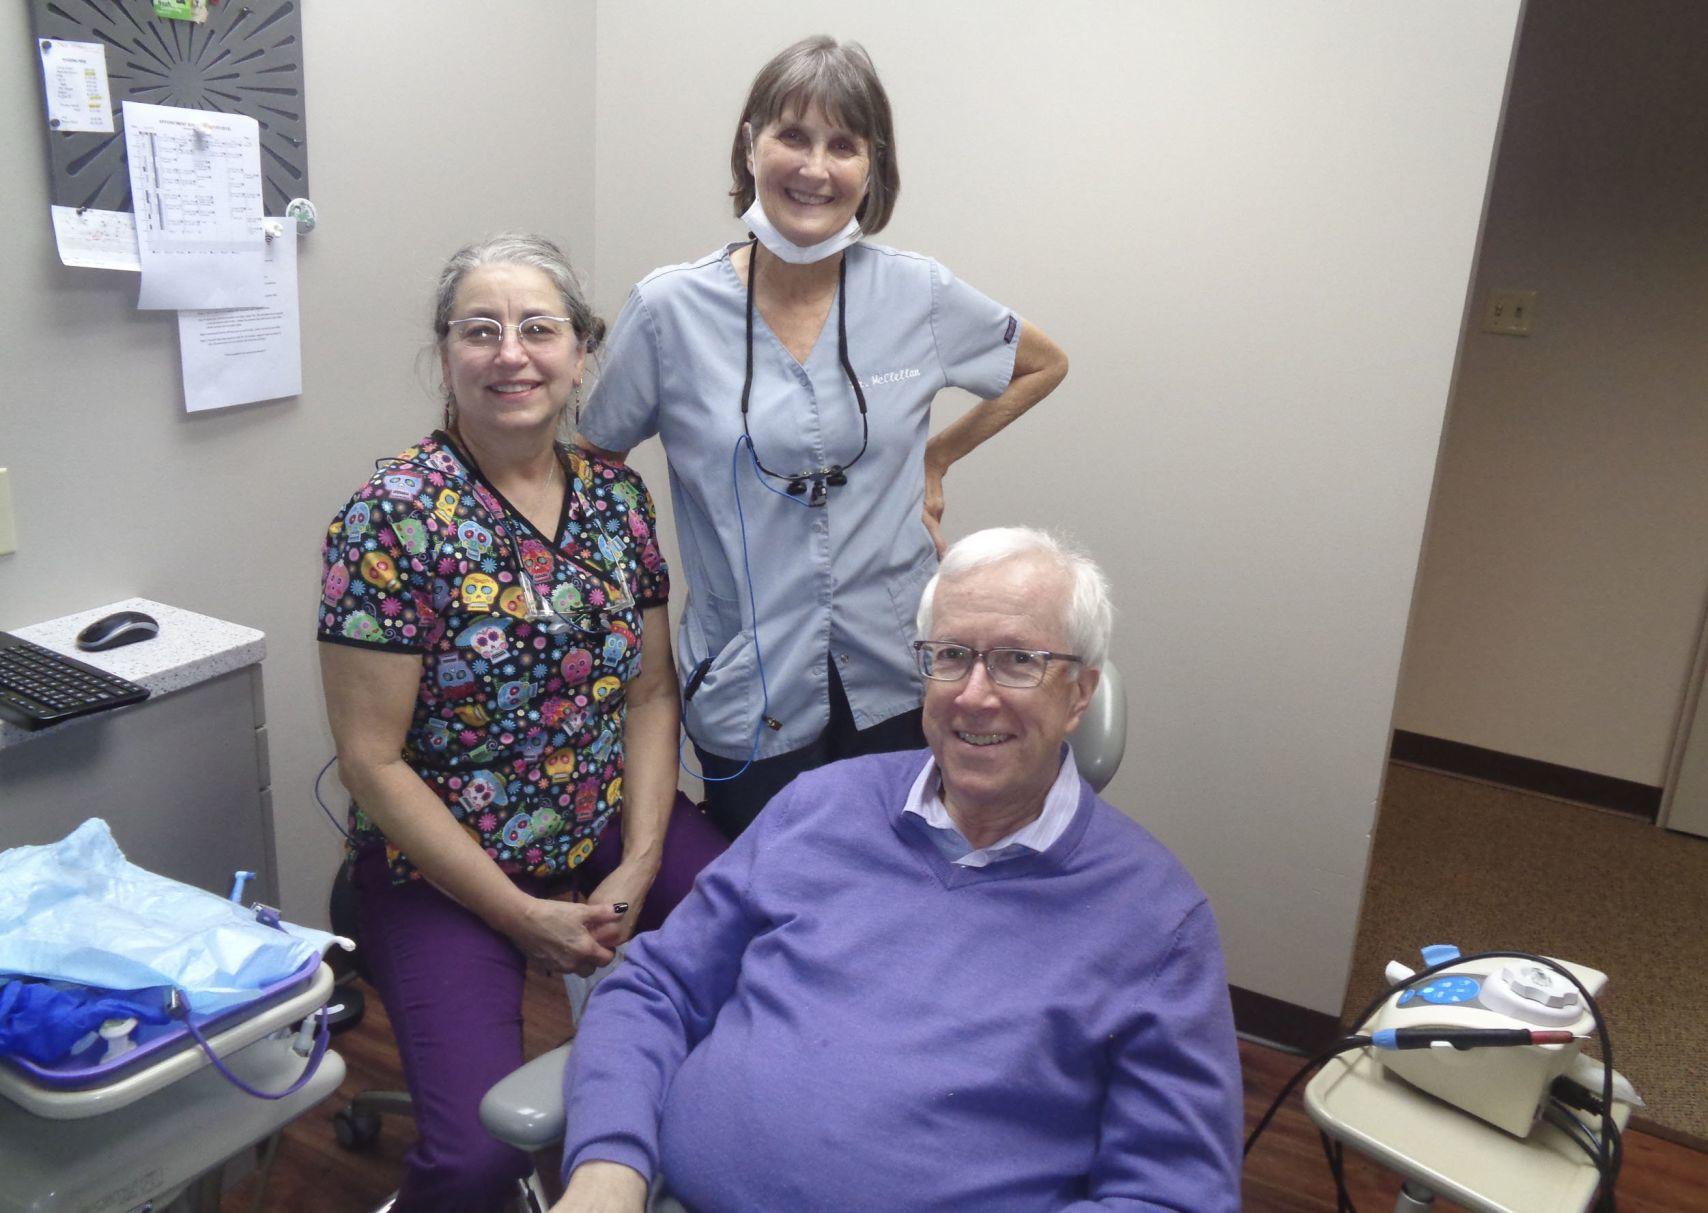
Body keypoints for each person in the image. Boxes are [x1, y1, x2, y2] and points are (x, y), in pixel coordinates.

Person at [551, 528, 1244, 1213]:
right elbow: (655, 988)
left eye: (1016, 661)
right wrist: (608, 1164)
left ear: (1080, 693)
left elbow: (1171, 1195)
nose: (974, 694)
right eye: (950, 656)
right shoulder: (820, 807)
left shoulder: (1156, 923)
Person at [317, 234, 725, 1212]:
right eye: (482, 330)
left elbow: (651, 694)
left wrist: (636, 862)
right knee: (474, 1159)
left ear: (581, 352)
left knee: (776, 955)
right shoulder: (393, 518)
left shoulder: (617, 500)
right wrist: (520, 915)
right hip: (448, 871)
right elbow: (371, 763)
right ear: (446, 353)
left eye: (538, 328)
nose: (512, 353)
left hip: (605, 829)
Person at [577, 36, 1071, 837]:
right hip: (751, 675)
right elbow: (592, 465)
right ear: (751, 143)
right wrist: (636, 608)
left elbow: (1042, 365)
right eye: (793, 136)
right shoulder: (669, 311)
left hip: (895, 670)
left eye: (844, 144)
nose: (815, 167)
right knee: (774, 895)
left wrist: (937, 457)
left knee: (900, 882)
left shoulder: (918, 293)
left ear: (873, 167)